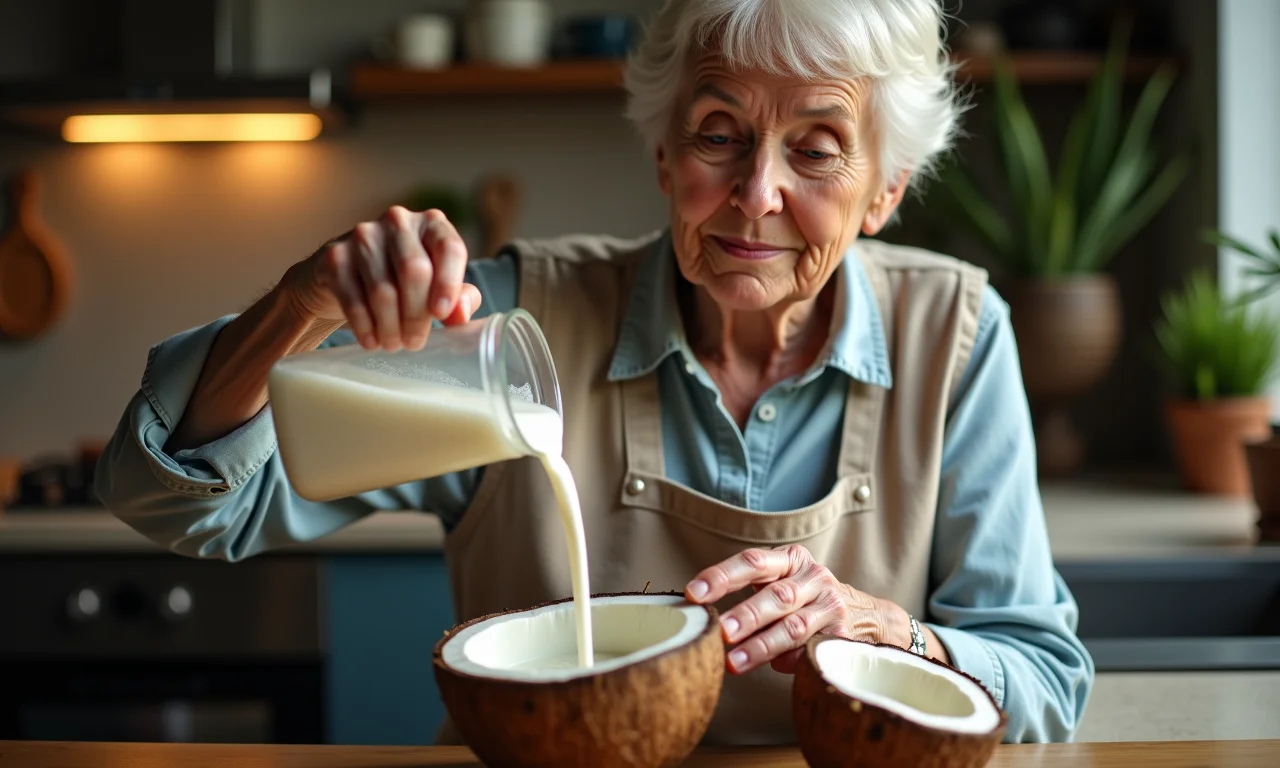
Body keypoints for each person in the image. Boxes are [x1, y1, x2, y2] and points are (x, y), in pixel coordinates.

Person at [96, 0, 1093, 745]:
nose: (756, 193)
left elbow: (1044, 679)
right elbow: (179, 507)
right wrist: (298, 306)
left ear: (883, 190)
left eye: (817, 149)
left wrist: (886, 633)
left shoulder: (953, 336)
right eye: (718, 134)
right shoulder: (509, 324)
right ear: (663, 154)